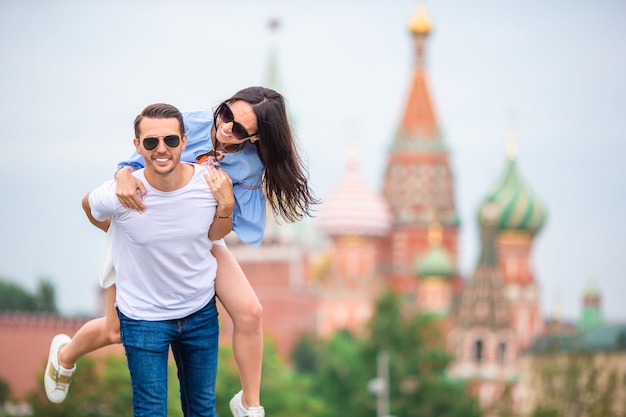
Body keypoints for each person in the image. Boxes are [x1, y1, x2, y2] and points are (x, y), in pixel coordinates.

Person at [44, 86, 319, 417]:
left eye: (240, 128)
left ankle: (249, 405)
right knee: (114, 329)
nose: (226, 127)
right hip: (141, 235)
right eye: (227, 113)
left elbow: (219, 230)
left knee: (250, 312)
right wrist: (121, 180)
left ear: (257, 138)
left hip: (197, 236)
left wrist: (227, 203)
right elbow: (133, 162)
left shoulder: (248, 167)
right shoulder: (189, 125)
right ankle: (64, 357)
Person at [83, 102, 228, 416]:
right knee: (150, 411)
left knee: (202, 409)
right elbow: (89, 205)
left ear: (184, 142)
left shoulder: (209, 184)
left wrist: (226, 206)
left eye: (171, 141)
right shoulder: (123, 191)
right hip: (143, 318)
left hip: (199, 312)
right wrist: (114, 227)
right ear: (137, 146)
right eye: (151, 142)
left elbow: (217, 233)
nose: (162, 149)